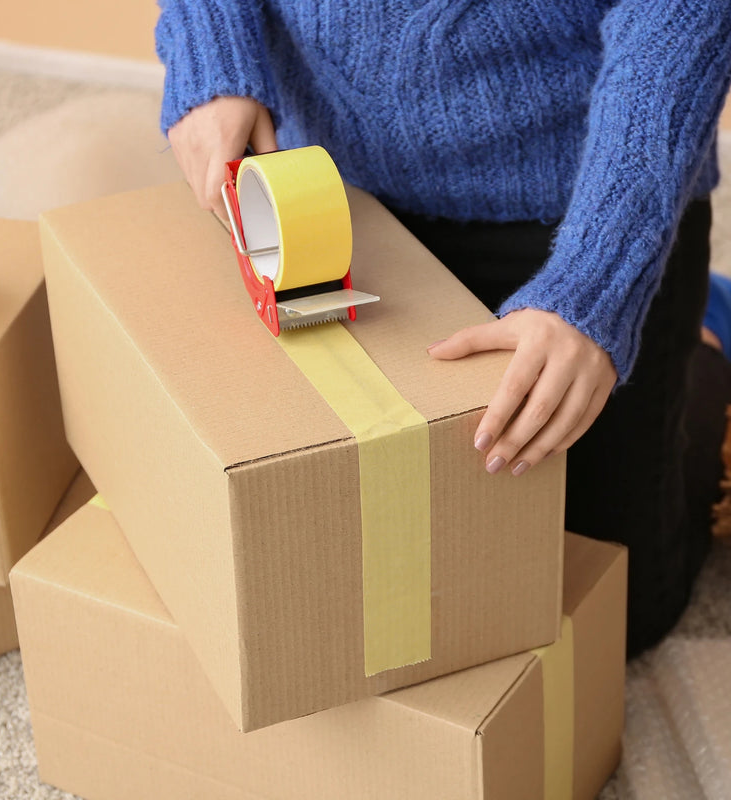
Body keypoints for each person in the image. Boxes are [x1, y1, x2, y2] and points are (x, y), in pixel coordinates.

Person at [155, 0, 731, 657]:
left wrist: (602, 281)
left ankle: (700, 342)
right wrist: (210, 47)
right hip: (334, 184)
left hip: (578, 202)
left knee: (606, 616)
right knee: (326, 558)